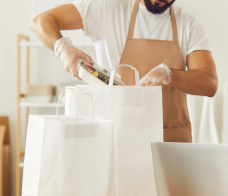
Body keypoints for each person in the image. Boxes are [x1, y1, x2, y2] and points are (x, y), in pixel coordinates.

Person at [30, 0, 218, 143]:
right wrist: (63, 48)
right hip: (117, 142)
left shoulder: (189, 25)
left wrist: (169, 74)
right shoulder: (108, 9)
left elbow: (209, 83)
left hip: (169, 143)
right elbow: (41, 21)